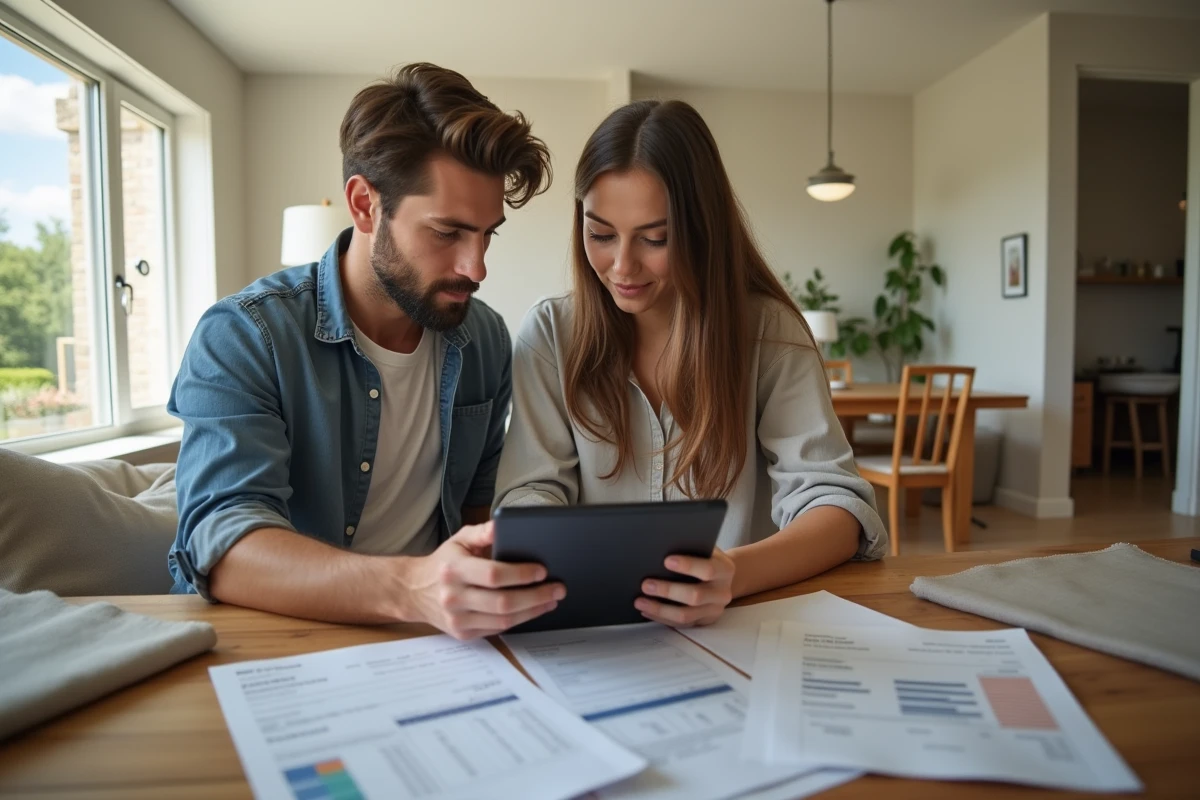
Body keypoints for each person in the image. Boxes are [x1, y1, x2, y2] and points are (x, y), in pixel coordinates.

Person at [169, 63, 564, 640]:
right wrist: (412, 589)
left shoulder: (485, 340)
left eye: (488, 234)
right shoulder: (245, 335)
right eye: (448, 233)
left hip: (438, 643)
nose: (476, 267)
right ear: (364, 205)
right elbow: (224, 543)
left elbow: (481, 511)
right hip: (280, 636)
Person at [494, 99, 888, 627]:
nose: (622, 265)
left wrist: (734, 574)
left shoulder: (768, 334)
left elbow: (838, 507)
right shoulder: (549, 334)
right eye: (601, 234)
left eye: (656, 238)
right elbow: (528, 490)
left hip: (738, 627)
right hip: (592, 633)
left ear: (703, 229)